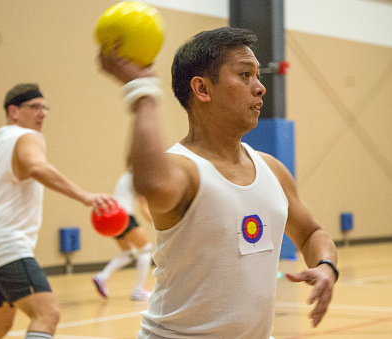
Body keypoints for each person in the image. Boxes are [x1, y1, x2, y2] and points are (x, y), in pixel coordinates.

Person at [97, 27, 338, 338]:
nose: (261, 88)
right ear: (202, 89)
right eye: (245, 75)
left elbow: (311, 233)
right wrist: (143, 93)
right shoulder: (184, 170)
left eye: (257, 75)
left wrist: (325, 267)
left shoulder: (271, 168)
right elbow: (151, 183)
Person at [0, 83, 114, 339]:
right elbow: (36, 167)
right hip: (7, 248)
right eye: (35, 107)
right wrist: (84, 195)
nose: (43, 113)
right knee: (47, 315)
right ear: (13, 111)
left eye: (45, 108)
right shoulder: (27, 137)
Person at [93, 163, 154, 301]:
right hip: (123, 216)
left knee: (129, 253)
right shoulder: (138, 178)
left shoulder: (125, 176)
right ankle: (139, 291)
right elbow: (143, 206)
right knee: (146, 249)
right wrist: (158, 225)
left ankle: (102, 276)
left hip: (110, 216)